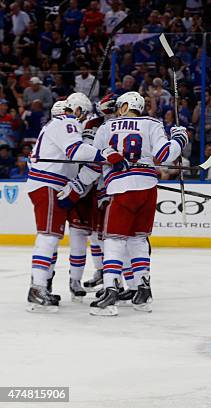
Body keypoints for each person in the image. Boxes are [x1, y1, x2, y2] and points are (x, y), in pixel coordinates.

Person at [71, 91, 188, 316]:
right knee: (138, 239)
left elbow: (95, 159)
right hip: (147, 188)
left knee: (114, 240)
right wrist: (179, 138)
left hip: (121, 188)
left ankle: (110, 292)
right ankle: (142, 292)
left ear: (124, 106)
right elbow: (164, 155)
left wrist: (78, 185)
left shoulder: (106, 127)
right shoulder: (152, 123)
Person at [25, 92, 124, 312]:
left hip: (49, 184)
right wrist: (106, 155)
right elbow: (76, 150)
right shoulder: (67, 122)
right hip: (48, 185)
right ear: (77, 110)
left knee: (51, 236)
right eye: (84, 114)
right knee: (48, 236)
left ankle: (42, 286)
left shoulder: (55, 125)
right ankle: (37, 288)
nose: (83, 120)